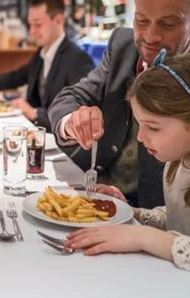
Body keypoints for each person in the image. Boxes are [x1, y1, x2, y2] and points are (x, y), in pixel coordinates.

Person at [49, 0, 190, 209]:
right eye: (142, 21)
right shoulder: (123, 46)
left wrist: (136, 213)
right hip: (100, 193)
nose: (150, 36)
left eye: (169, 24)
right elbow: (69, 98)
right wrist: (72, 121)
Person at [66, 51, 190, 271]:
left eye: (153, 127)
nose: (141, 138)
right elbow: (178, 220)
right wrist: (132, 213)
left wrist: (144, 237)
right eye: (139, 124)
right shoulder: (176, 163)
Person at [0, 0, 94, 131]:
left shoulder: (78, 60)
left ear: (58, 20)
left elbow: (80, 115)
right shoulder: (41, 53)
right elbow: (18, 76)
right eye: (30, 24)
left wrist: (35, 113)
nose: (32, 31)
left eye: (38, 24)